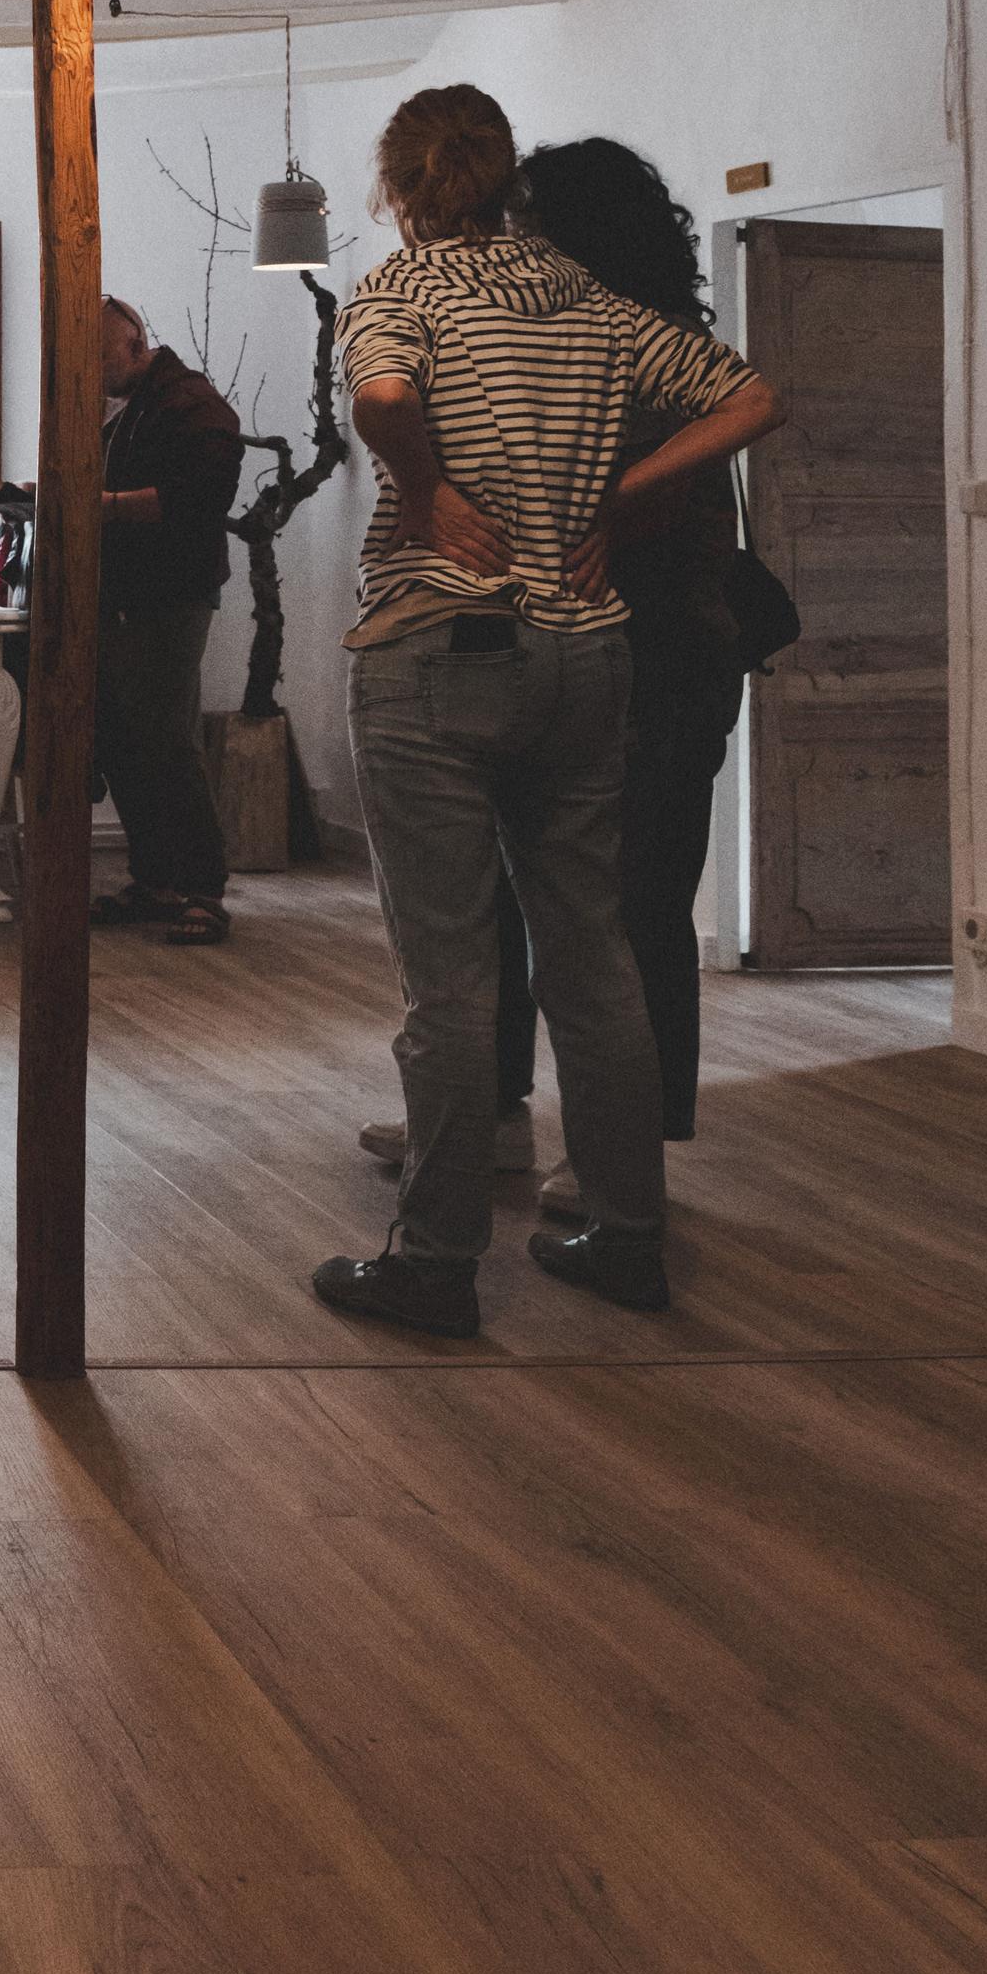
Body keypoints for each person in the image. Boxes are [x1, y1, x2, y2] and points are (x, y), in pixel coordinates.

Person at [316, 83, 780, 1334]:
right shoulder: (593, 301)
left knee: (451, 979)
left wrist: (421, 494)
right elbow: (749, 399)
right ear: (508, 174)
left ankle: (434, 1261)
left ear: (398, 187)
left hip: (438, 648)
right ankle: (626, 1236)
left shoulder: (399, 291)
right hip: (589, 656)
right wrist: (621, 503)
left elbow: (382, 401)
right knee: (596, 955)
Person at [519, 136, 754, 1177]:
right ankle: (542, 1127)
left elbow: (641, 508)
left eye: (526, 223)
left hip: (658, 654)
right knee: (566, 904)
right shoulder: (601, 340)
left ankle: (624, 1157)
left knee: (637, 908)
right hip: (615, 650)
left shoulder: (645, 349)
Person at [92, 297, 245, 946]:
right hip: (131, 596)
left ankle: (205, 890)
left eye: (98, 361)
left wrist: (96, 506)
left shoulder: (193, 404)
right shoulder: (130, 409)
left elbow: (195, 501)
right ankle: (155, 880)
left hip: (173, 597)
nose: (94, 379)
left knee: (169, 738)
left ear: (133, 342)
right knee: (126, 738)